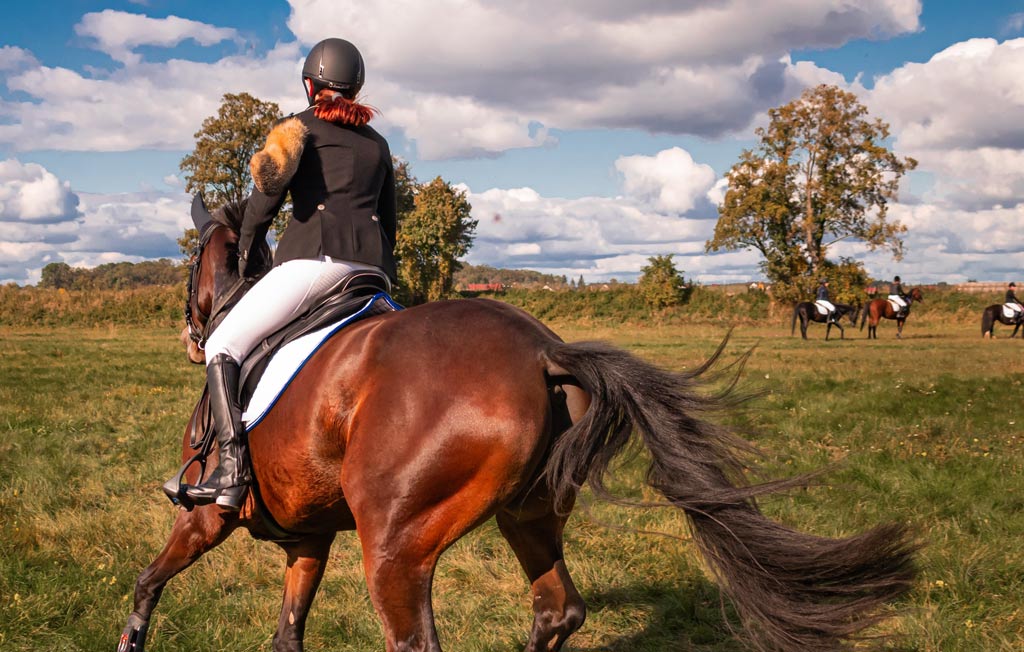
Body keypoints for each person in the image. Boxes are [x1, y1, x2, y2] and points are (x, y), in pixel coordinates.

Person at [181, 38, 398, 510]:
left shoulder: (294, 129)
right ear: (356, 87)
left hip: (315, 265)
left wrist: (244, 251)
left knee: (222, 344)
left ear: (309, 83)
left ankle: (232, 472)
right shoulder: (379, 145)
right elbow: (390, 219)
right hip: (374, 274)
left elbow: (263, 203)